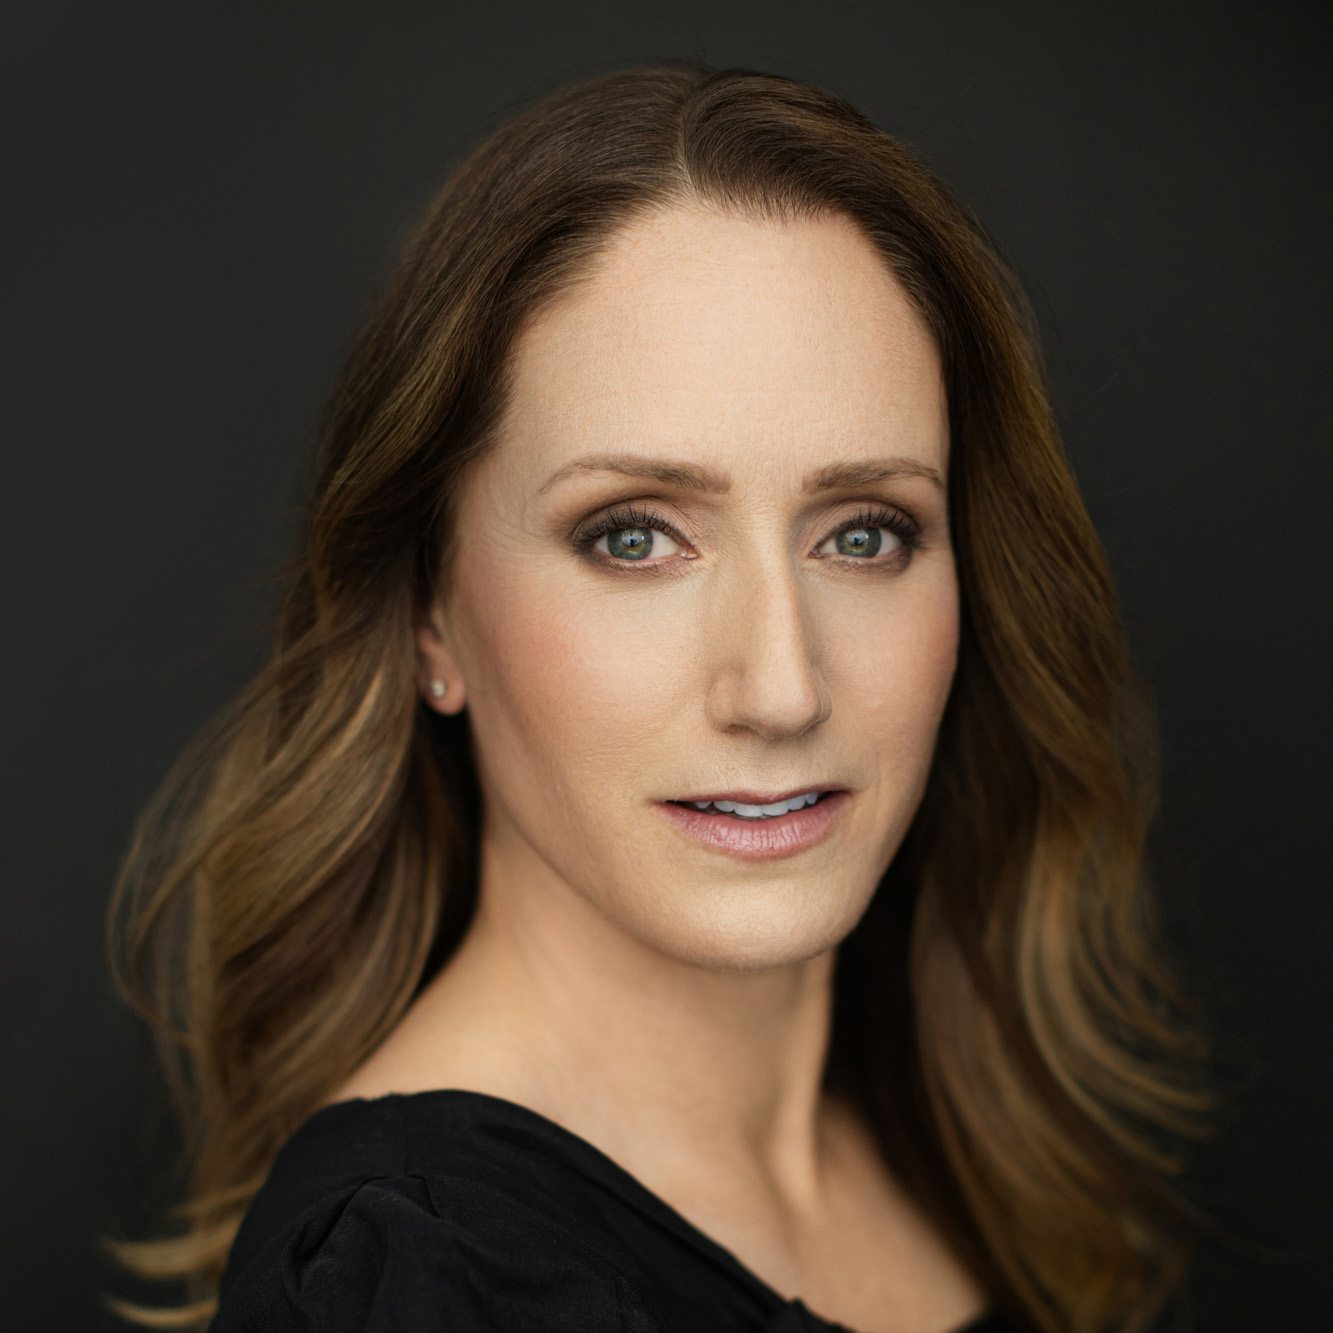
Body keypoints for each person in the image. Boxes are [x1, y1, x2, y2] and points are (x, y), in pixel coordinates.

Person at [108, 65, 1209, 1333]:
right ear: (427, 613)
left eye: (863, 533)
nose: (781, 687)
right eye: (632, 537)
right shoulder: (411, 1282)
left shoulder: (954, 1151)